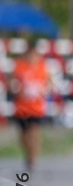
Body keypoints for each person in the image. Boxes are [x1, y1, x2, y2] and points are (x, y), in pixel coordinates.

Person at [10, 42, 54, 171]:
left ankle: (33, 160)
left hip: (36, 108)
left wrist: (43, 91)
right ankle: (28, 154)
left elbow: (49, 84)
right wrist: (17, 90)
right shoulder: (20, 66)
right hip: (22, 107)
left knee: (34, 133)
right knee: (23, 136)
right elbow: (11, 83)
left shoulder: (43, 67)